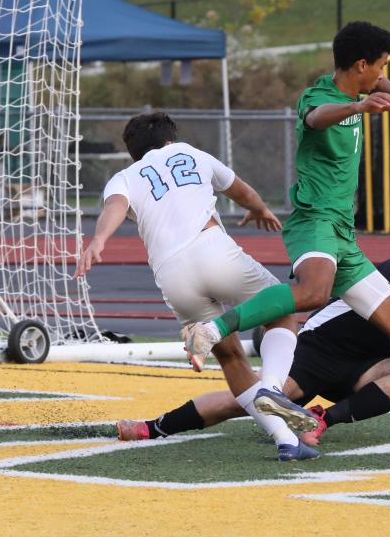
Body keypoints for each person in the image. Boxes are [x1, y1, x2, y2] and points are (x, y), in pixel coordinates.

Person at [180, 21, 390, 463]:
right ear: (361, 66)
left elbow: (379, 84)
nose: (384, 73)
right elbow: (317, 118)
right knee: (311, 292)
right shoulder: (320, 98)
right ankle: (212, 328)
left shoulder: (361, 85)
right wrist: (363, 107)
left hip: (343, 235)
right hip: (314, 221)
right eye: (381, 66)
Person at [121, 231, 390, 457]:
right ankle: (156, 426)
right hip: (319, 350)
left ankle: (320, 420)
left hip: (362, 368)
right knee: (250, 400)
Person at [74, 111, 319, 462]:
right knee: (283, 311)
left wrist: (99, 239)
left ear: (133, 152)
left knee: (230, 356)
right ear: (170, 140)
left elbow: (116, 206)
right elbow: (240, 189)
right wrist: (261, 208)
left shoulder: (125, 176)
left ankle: (285, 441)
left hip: (172, 278)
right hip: (212, 251)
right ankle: (274, 386)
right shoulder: (190, 152)